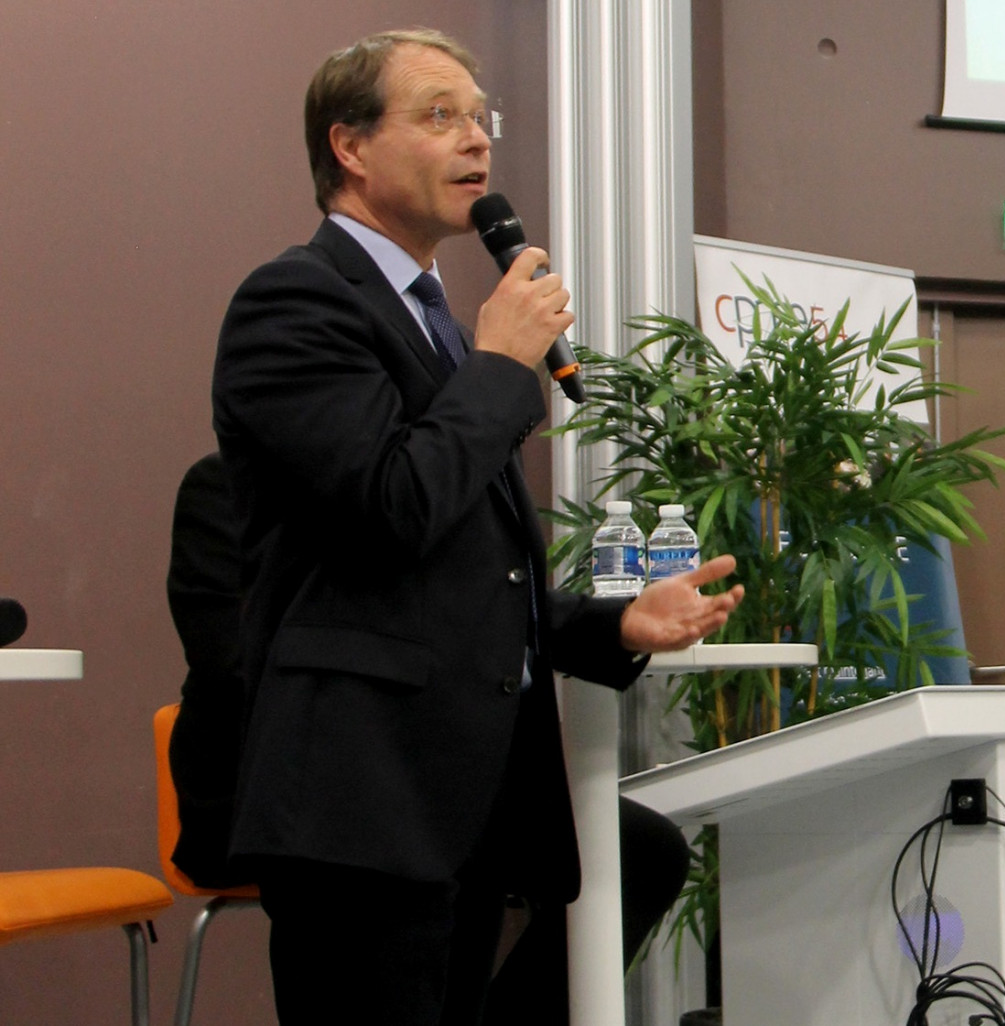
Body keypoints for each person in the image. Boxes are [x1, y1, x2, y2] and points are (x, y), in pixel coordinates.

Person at [210, 27, 744, 1026]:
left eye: (479, 117)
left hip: (460, 795)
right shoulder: (293, 303)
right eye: (438, 115)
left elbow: (464, 578)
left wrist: (611, 625)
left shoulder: (437, 317)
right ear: (351, 147)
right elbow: (393, 508)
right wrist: (500, 366)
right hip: (359, 797)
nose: (477, 143)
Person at [166, 450, 693, 1021]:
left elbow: (506, 608)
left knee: (639, 848)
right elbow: (233, 665)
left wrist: (617, 625)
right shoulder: (233, 486)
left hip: (437, 767)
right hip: (292, 779)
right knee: (409, 840)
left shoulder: (444, 495)